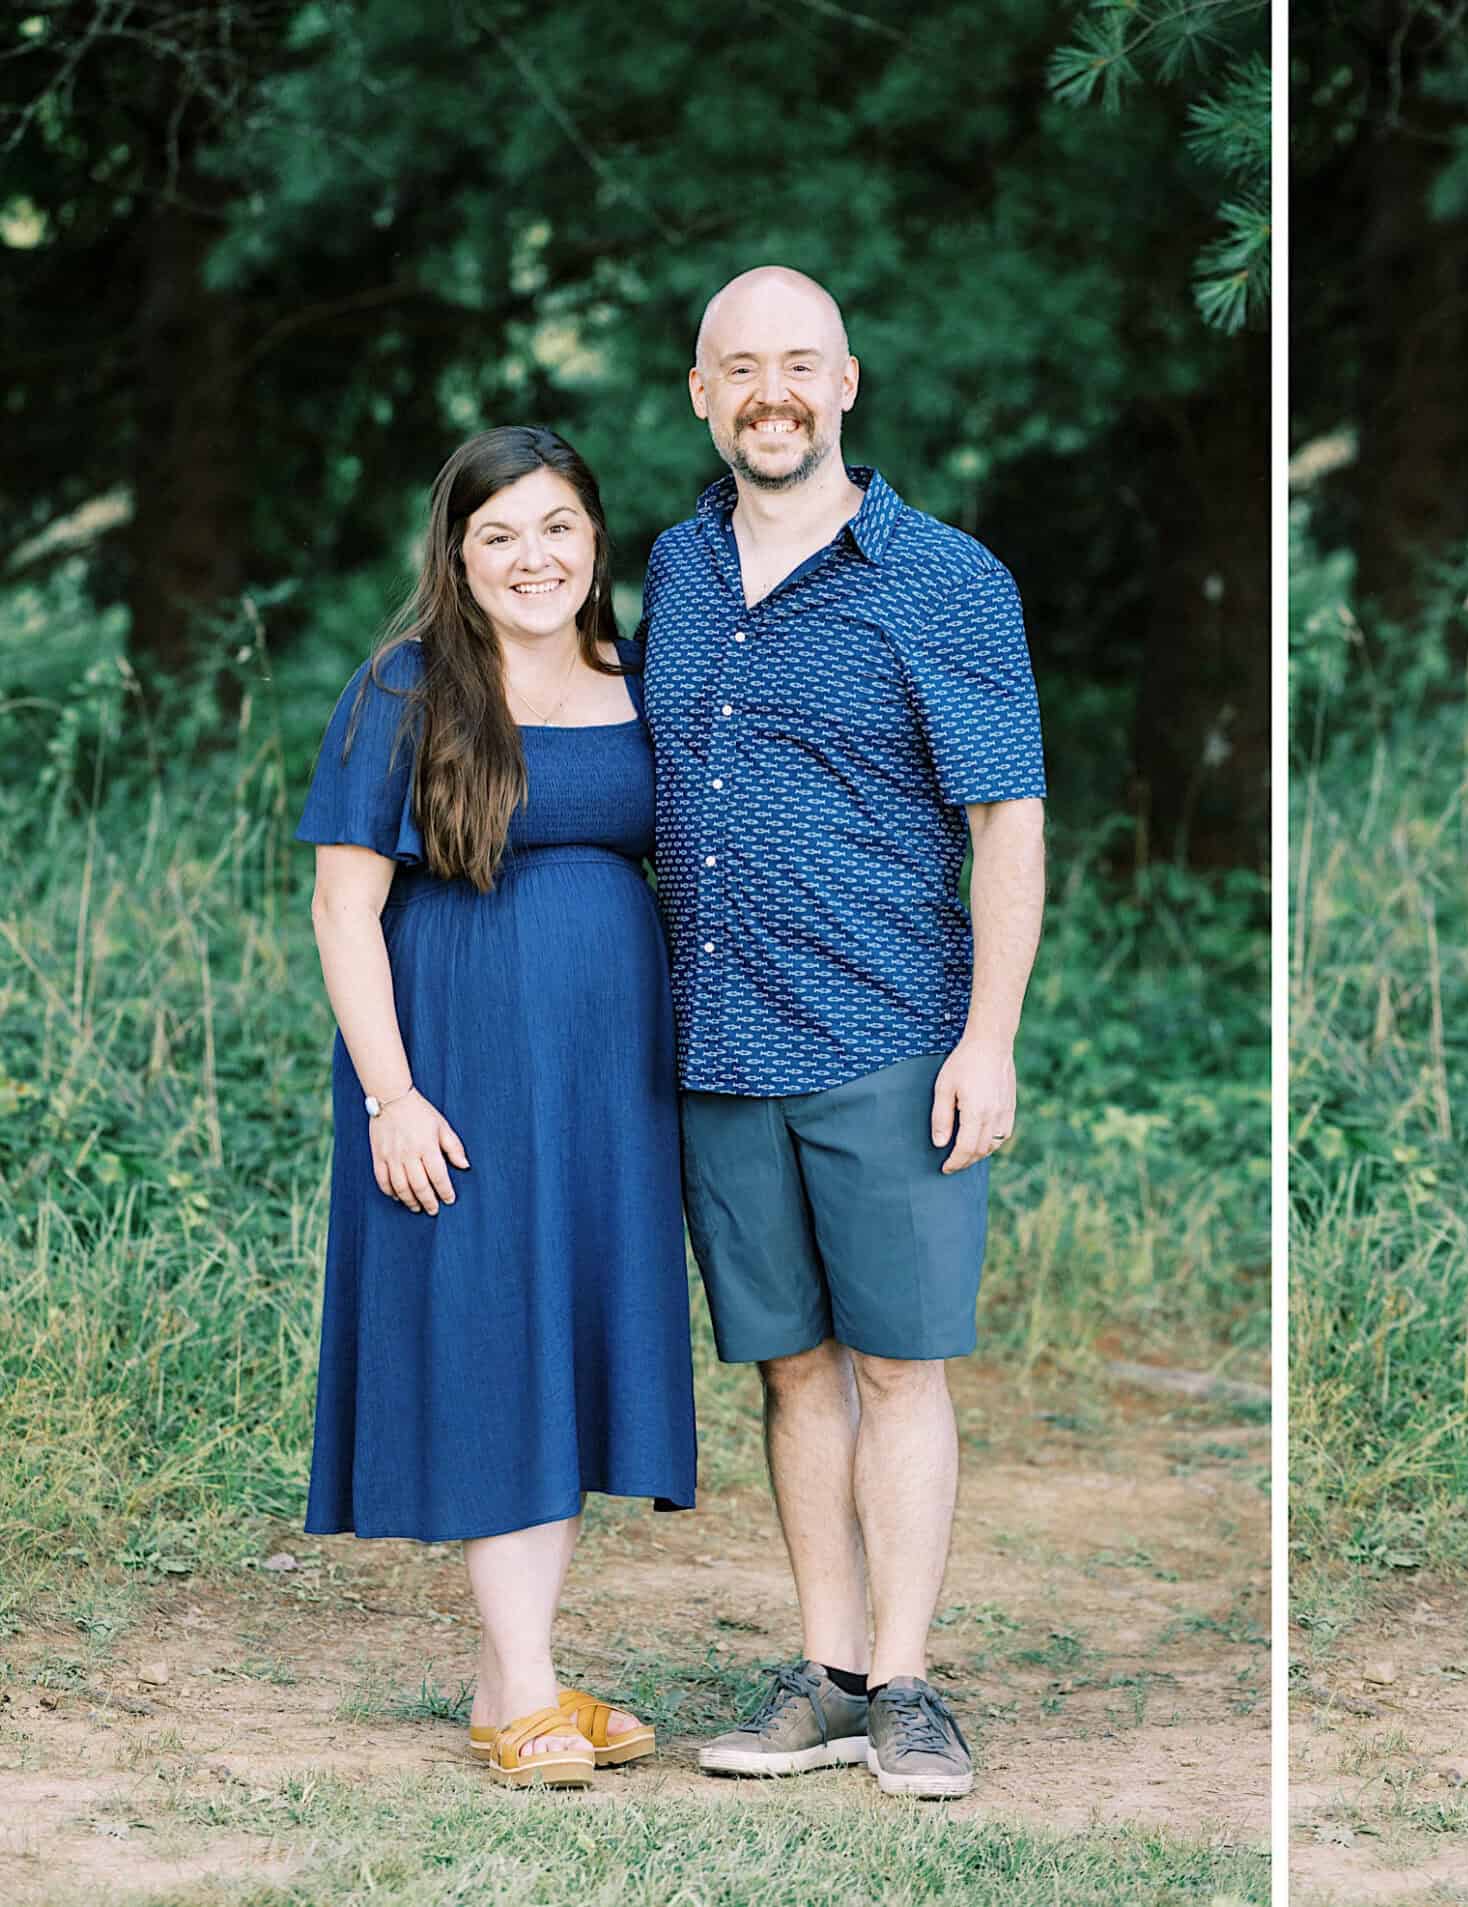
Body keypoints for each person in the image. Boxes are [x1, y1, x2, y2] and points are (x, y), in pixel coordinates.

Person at [643, 267, 1046, 1800]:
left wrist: (988, 1038)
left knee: (900, 1366)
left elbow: (1008, 815)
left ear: (849, 382)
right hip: (716, 1045)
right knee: (790, 1371)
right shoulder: (671, 570)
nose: (772, 392)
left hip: (889, 1030)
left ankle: (912, 1682)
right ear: (701, 393)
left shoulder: (945, 577)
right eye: (741, 367)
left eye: (799, 364)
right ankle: (820, 1673)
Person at [300, 426, 695, 1790]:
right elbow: (343, 905)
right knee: (493, 1342)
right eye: (499, 536)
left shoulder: (640, 675)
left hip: (609, 1084)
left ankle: (510, 1676)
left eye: (557, 528)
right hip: (460, 1068)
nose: (534, 558)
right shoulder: (404, 688)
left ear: (597, 538)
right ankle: (526, 1686)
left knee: (566, 1347)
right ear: (457, 557)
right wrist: (389, 1094)